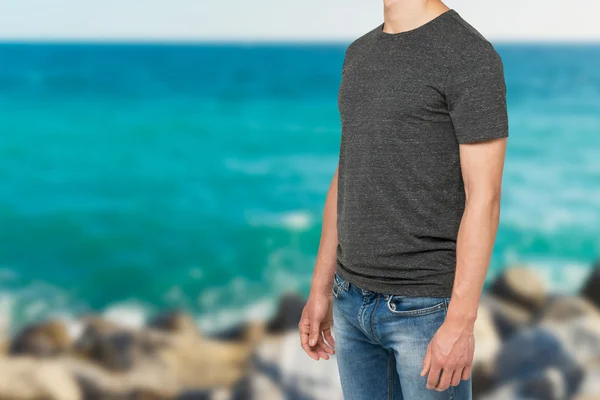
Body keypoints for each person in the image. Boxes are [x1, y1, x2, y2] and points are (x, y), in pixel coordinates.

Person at [298, 0, 509, 399]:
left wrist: (460, 323)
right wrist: (320, 288)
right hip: (349, 301)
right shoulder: (359, 53)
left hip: (425, 310)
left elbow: (486, 196)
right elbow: (348, 170)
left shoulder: (469, 55)